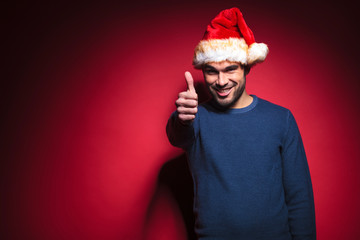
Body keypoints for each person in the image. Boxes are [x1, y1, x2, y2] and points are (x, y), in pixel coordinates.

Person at [166, 7, 316, 240]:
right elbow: (178, 135)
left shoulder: (281, 118)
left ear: (246, 67)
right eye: (211, 71)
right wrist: (183, 117)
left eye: (230, 69)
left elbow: (299, 198)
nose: (221, 81)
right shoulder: (196, 118)